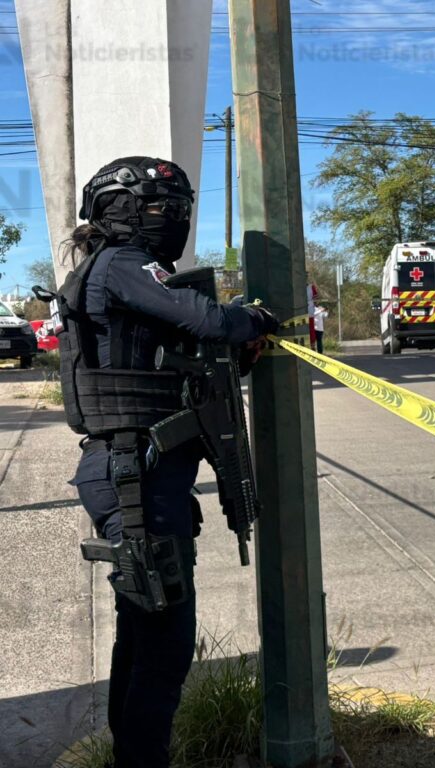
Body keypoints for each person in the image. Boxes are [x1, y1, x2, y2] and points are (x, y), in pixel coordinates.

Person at [60, 157, 278, 768]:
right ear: (121, 212)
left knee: (143, 631)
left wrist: (241, 351)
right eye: (159, 207)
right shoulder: (124, 265)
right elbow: (208, 320)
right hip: (135, 478)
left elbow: (181, 362)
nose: (172, 219)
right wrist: (254, 317)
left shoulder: (110, 271)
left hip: (139, 473)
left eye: (174, 208)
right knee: (164, 645)